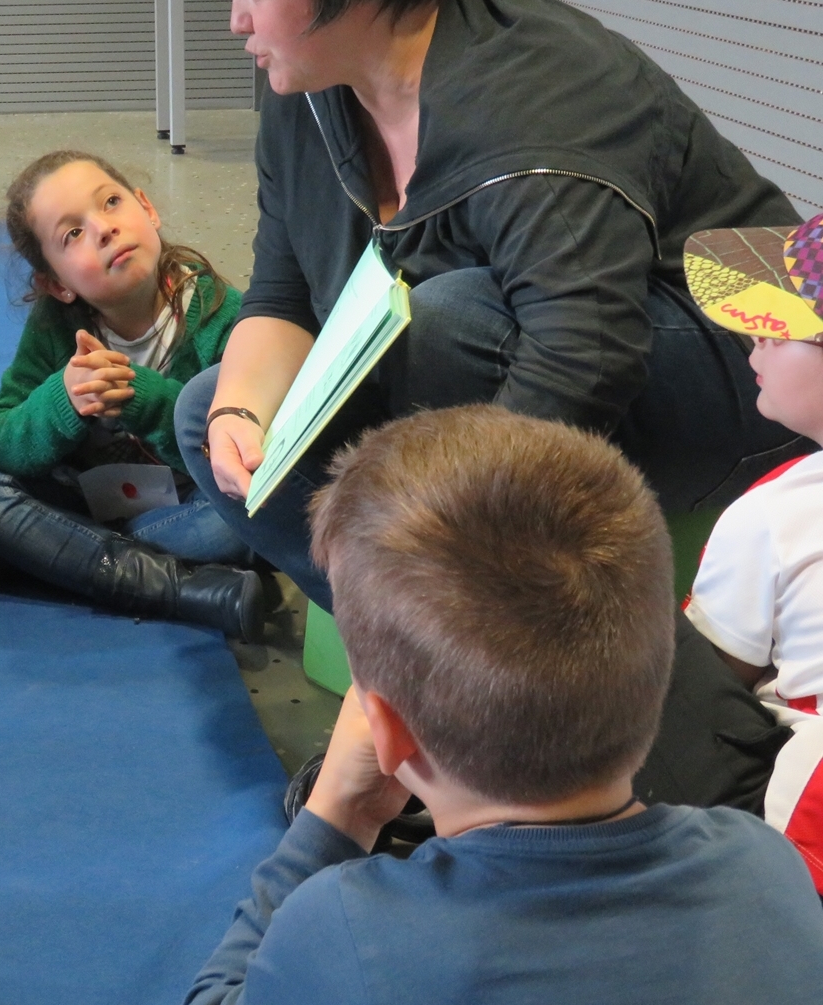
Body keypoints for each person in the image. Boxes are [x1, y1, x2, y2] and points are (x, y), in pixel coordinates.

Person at [184, 404, 823, 1005]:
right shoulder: (764, 868)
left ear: (387, 734)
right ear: (663, 681)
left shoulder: (349, 933)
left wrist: (335, 817)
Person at [181, 0, 810, 611]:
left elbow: (583, 359)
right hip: (524, 361)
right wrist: (237, 410)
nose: (237, 20)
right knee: (206, 413)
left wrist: (446, 536)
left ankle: (476, 635)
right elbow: (284, 296)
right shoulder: (309, 95)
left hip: (744, 369)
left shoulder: (537, 88)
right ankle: (401, 631)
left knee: (444, 322)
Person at [0, 151, 264, 640]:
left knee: (235, 525)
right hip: (82, 501)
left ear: (147, 209)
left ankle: (46, 557)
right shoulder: (55, 326)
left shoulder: (221, 316)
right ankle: (177, 587)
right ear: (56, 284)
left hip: (180, 510)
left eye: (111, 202)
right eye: (72, 233)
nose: (103, 228)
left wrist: (145, 400)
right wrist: (62, 399)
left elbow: (249, 459)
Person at [635, 214, 823, 888]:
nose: (754, 337)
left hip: (790, 871)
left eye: (782, 326)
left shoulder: (779, 509)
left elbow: (709, 680)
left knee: (631, 623)